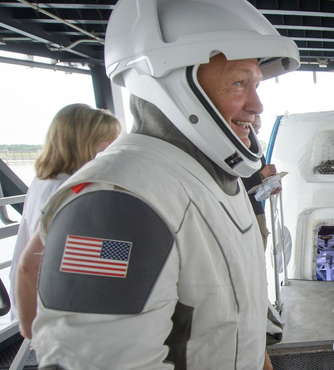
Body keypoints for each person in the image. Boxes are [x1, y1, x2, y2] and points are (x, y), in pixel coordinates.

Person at [16, 0, 300, 369]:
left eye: (255, 84)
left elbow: (230, 319)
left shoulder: (207, 179)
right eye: (238, 82)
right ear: (171, 84)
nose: (257, 105)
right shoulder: (114, 205)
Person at [10, 104, 121, 322]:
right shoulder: (69, 191)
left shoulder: (44, 180)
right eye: (109, 139)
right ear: (83, 142)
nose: (115, 147)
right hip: (51, 306)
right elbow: (33, 263)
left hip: (35, 298)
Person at [242, 115, 279, 250]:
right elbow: (237, 184)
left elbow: (255, 185)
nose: (256, 132)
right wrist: (262, 175)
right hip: (244, 213)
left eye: (258, 128)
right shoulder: (237, 152)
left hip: (257, 210)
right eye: (254, 127)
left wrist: (271, 186)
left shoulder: (256, 152)